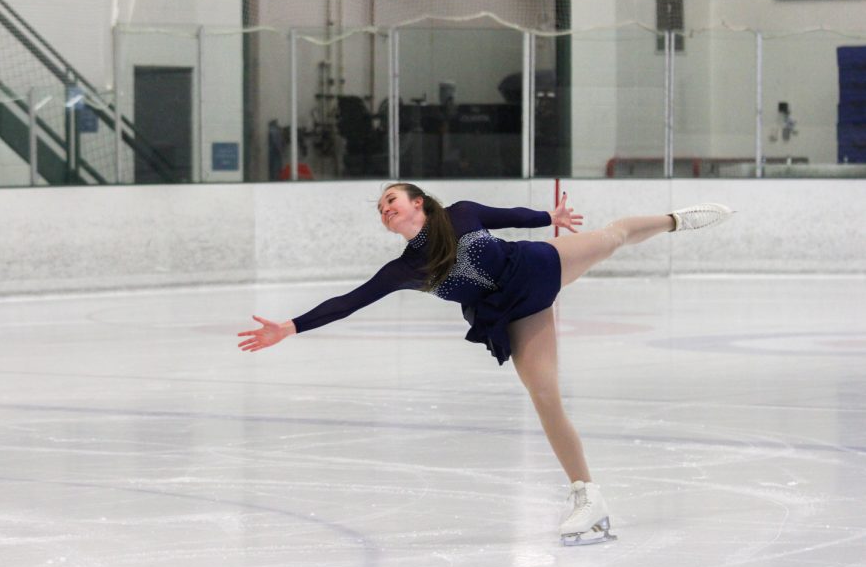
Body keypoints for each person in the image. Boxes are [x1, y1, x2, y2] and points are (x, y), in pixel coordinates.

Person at [237, 182, 733, 546]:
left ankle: (675, 220)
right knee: (546, 399)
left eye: (392, 199)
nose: (385, 209)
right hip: (511, 312)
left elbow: (510, 214)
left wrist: (548, 216)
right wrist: (291, 326)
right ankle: (588, 494)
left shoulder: (462, 214)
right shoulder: (404, 270)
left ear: (418, 203)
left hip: (536, 266)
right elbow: (349, 301)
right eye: (380, 208)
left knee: (612, 236)